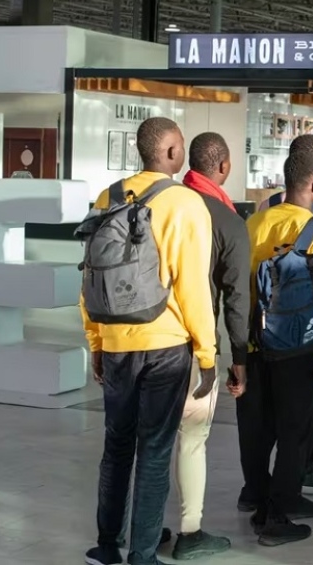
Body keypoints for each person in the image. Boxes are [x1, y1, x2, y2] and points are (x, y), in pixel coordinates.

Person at [81, 117, 217, 565]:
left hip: (117, 341)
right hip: (166, 346)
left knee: (116, 444)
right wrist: (207, 352)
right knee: (155, 449)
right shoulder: (185, 203)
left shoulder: (109, 198)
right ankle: (142, 554)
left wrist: (97, 342)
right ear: (175, 152)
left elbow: (90, 280)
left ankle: (107, 546)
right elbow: (192, 287)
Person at [243, 137, 313, 546]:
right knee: (294, 428)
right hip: (297, 347)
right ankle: (279, 515)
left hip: (254, 343)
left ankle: (263, 498)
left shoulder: (253, 223)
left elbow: (238, 288)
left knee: (258, 428)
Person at [175, 132, 251, 559]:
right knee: (191, 438)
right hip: (194, 346)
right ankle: (190, 531)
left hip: (138, 341)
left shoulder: (160, 202)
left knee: (143, 438)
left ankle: (138, 528)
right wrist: (239, 359)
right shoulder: (226, 220)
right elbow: (237, 299)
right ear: (222, 167)